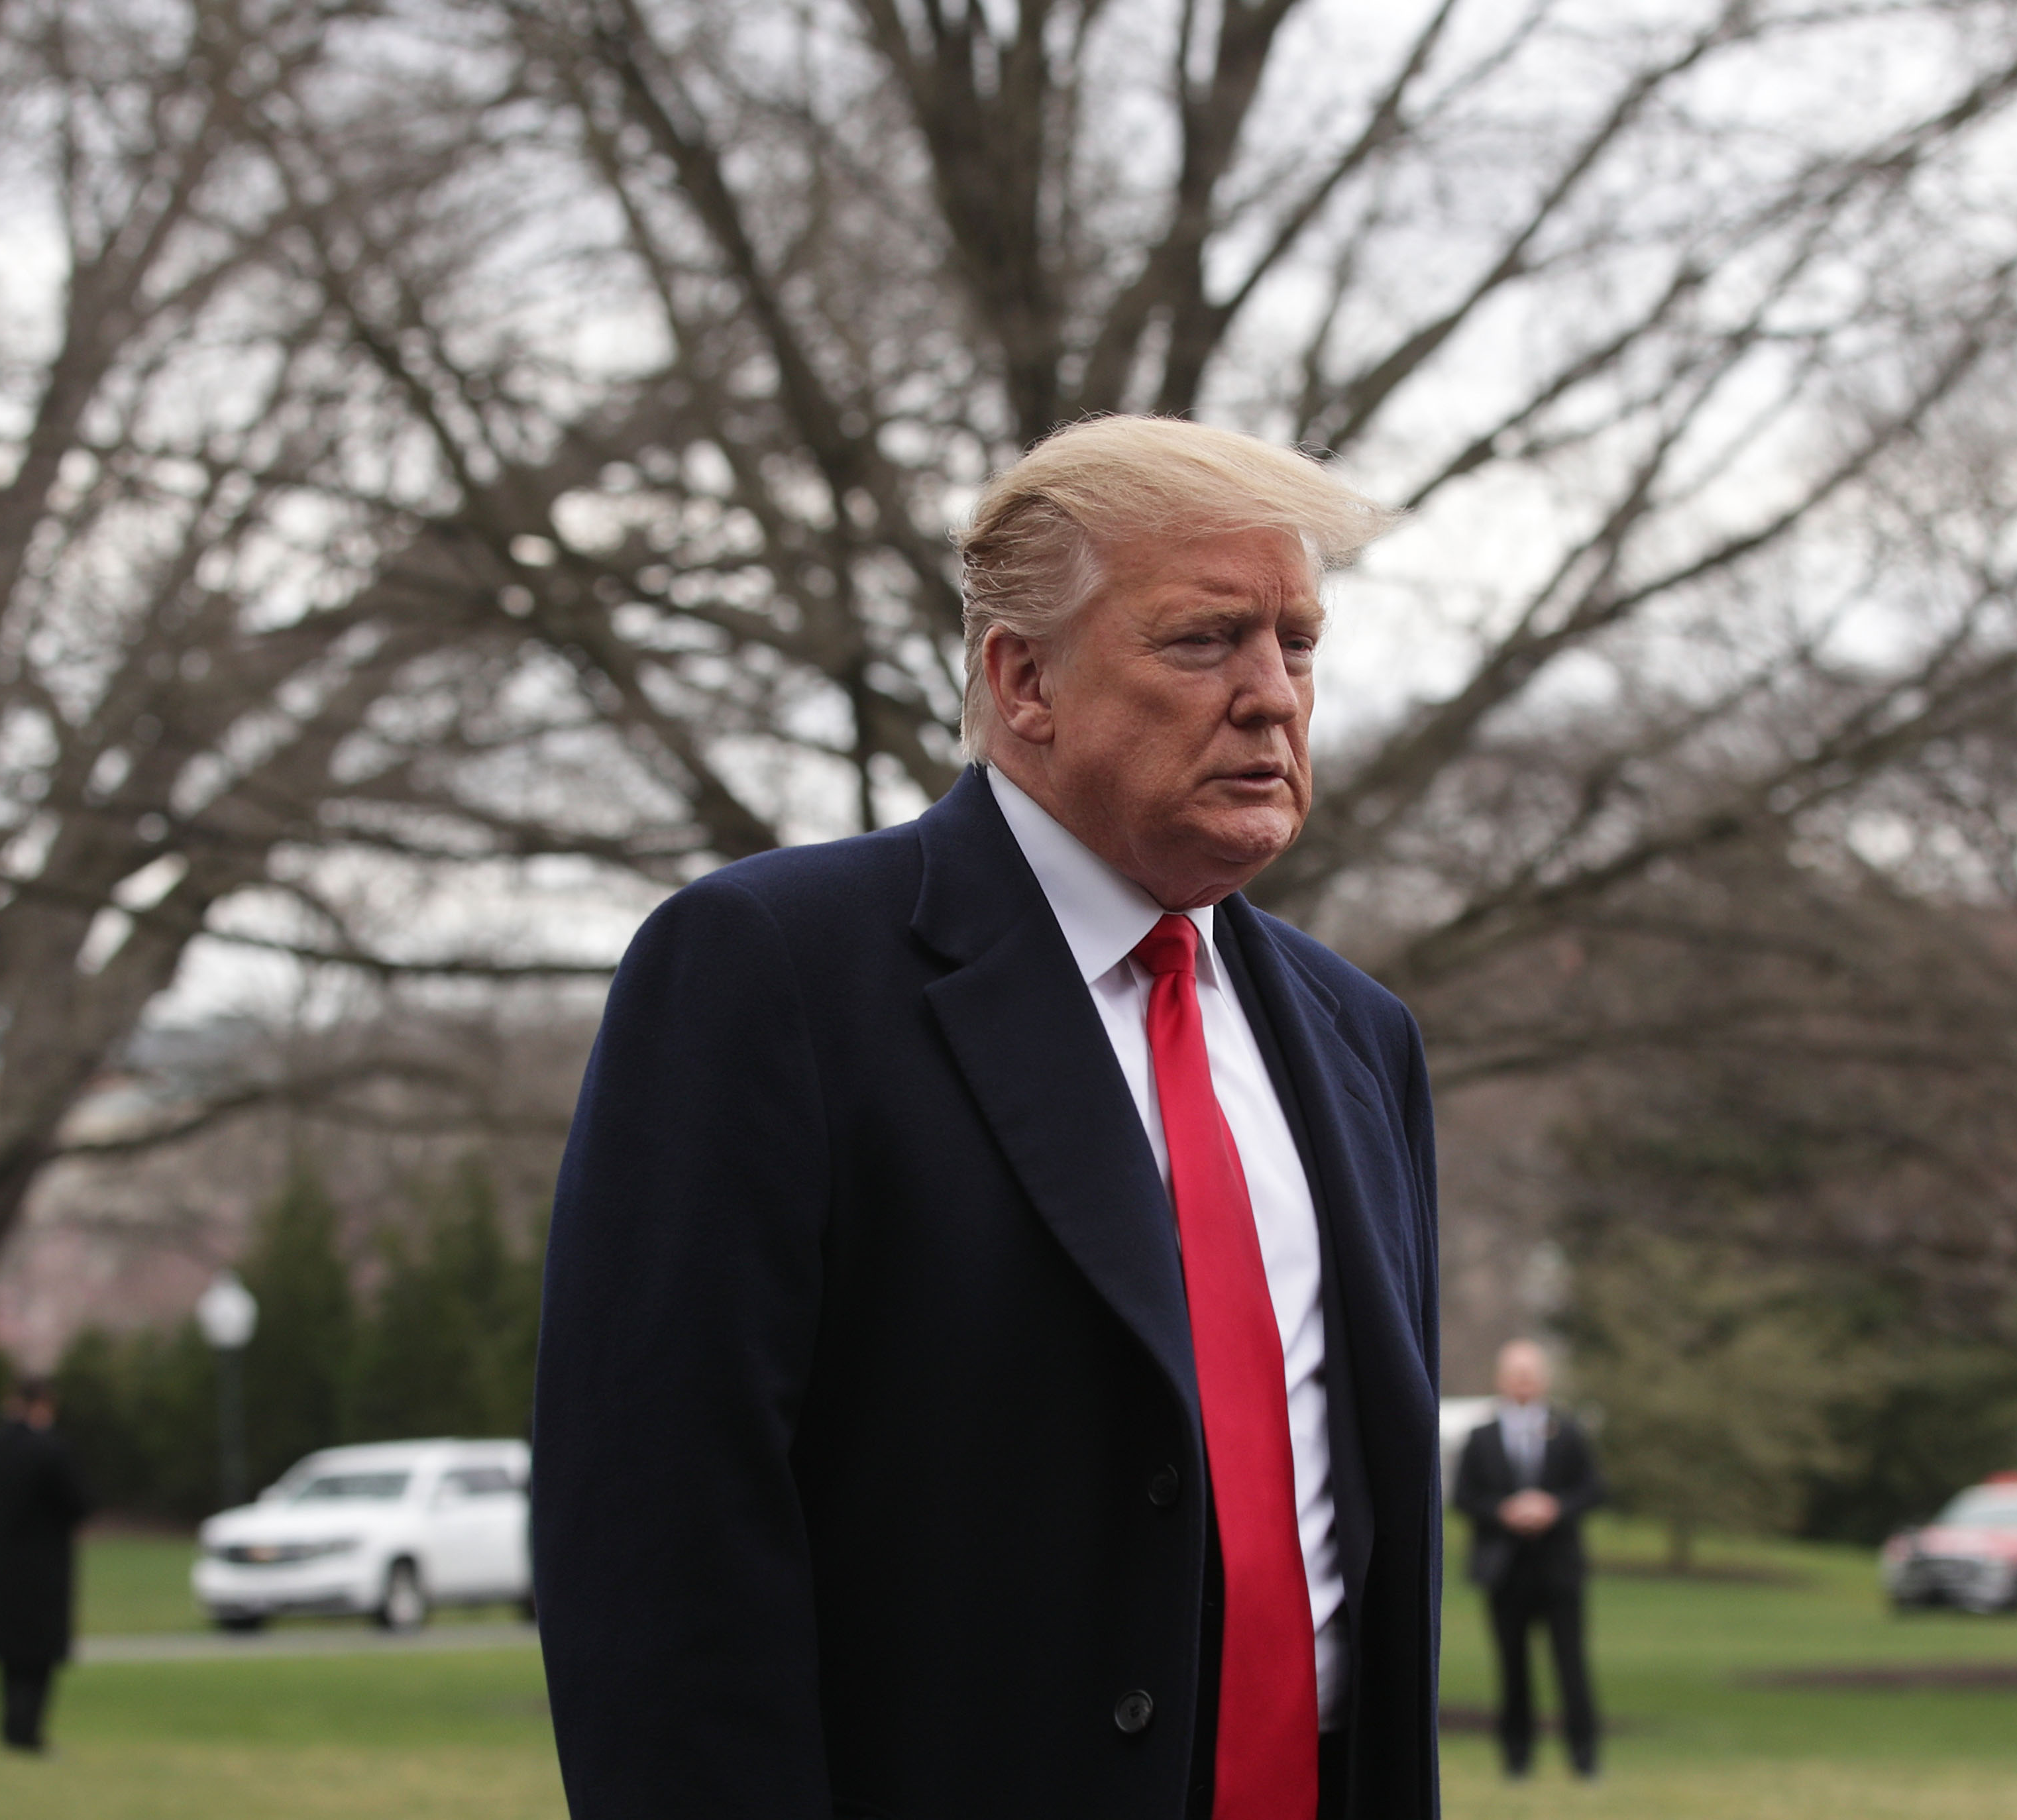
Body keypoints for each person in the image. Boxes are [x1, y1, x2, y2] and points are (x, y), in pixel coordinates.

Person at [533, 416, 1445, 1820]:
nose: (1270, 695)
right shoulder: (767, 971)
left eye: (1297, 643)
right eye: (1204, 639)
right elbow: (662, 1554)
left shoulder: (1356, 1037)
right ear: (1024, 680)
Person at [1451, 1340, 1604, 1781]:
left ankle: (1584, 1758)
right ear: (1500, 1378)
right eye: (1514, 1372)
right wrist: (1503, 1511)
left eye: (1530, 1371)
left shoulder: (1568, 1429)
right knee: (1512, 1666)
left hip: (1559, 1567)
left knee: (1570, 1664)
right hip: (1505, 1569)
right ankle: (1516, 1759)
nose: (1522, 1380)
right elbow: (1463, 1496)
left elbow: (1592, 1488)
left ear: (1543, 1378)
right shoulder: (1480, 1436)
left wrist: (1553, 1507)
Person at [0, 1376, 93, 1753]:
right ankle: (29, 1731)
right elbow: (79, 1502)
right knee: (38, 1657)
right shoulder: (50, 1451)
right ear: (43, 1405)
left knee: (8, 1656)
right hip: (43, 1565)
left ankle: (8, 1727)